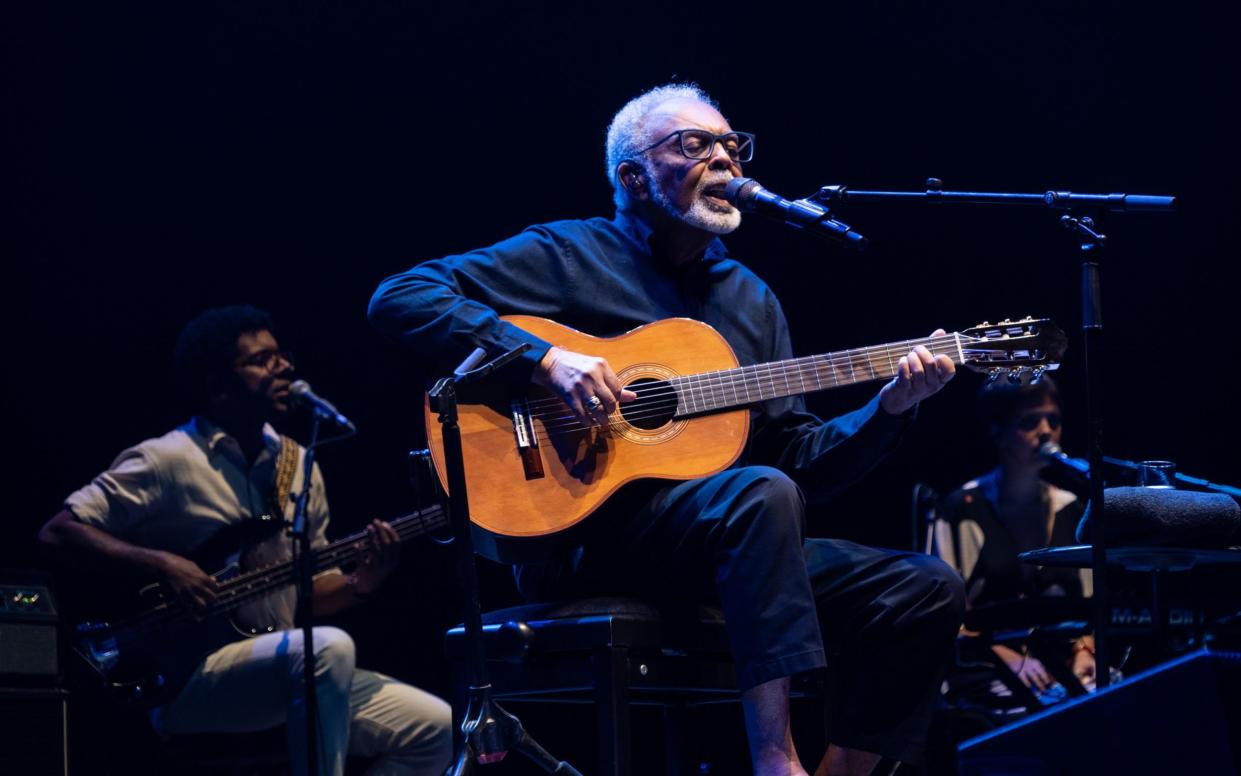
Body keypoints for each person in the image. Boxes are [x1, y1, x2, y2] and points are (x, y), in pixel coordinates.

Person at [368, 84, 965, 775]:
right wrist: (544, 360)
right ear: (633, 177)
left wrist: (887, 409)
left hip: (726, 546)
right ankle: (775, 760)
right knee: (760, 495)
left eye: (731, 145)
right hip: (583, 536)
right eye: (694, 145)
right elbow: (400, 296)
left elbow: (800, 459)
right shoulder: (568, 253)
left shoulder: (749, 299)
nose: (724, 159)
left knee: (925, 586)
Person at [39, 305, 452, 776]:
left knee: (435, 728)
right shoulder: (167, 460)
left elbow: (309, 594)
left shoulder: (298, 463)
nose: (284, 368)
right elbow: (59, 532)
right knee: (326, 649)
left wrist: (364, 581)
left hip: (284, 664)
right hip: (190, 675)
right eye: (262, 359)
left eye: (282, 356)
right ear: (218, 384)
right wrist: (162, 565)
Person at [931, 376, 1096, 697]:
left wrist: (1084, 654)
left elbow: (1090, 614)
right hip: (988, 675)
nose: (1046, 430)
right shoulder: (959, 510)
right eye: (1030, 421)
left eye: (1054, 420)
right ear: (998, 432)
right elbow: (942, 622)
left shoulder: (1072, 508)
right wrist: (1011, 663)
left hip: (1062, 672)